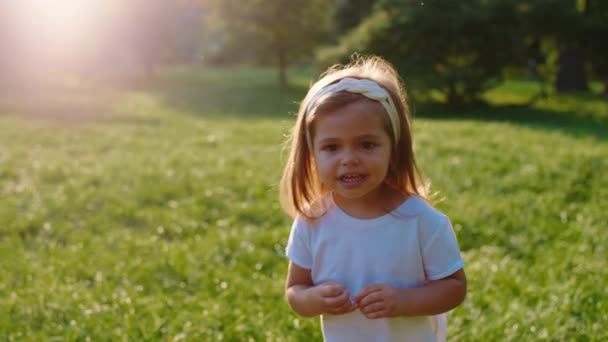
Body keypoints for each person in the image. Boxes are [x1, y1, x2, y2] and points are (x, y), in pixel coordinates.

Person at [279, 56, 466, 341]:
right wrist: (314, 299)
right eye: (331, 147)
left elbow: (454, 288)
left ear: (394, 147)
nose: (349, 159)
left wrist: (403, 301)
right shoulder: (312, 221)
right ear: (312, 154)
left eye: (367, 145)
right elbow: (295, 290)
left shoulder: (421, 220)